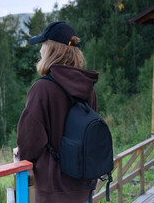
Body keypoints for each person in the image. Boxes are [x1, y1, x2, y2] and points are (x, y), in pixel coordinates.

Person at [14, 21, 99, 203]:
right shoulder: (88, 88)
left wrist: (20, 153)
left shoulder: (42, 89)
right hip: (83, 187)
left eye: (43, 45)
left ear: (52, 49)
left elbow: (29, 142)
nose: (40, 50)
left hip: (54, 192)